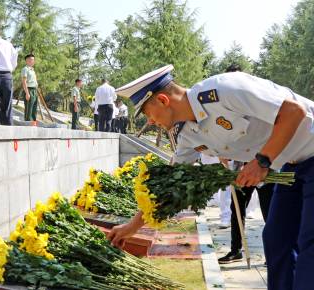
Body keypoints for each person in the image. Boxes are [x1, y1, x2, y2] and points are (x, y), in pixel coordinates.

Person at [109, 64, 314, 290]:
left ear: (163, 100)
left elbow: (294, 112)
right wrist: (131, 227)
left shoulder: (225, 90)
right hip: (291, 165)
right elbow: (166, 188)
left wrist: (261, 161)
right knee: (276, 240)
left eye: (147, 113)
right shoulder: (187, 135)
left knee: (309, 244)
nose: (149, 121)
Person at [218, 160, 274, 263]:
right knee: (236, 210)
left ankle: (273, 254)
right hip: (242, 173)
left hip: (265, 172)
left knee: (269, 213)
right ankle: (235, 250)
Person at [21, 54, 38, 122]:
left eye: (33, 60)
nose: (33, 61)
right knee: (29, 109)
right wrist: (27, 93)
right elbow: (24, 82)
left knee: (34, 109)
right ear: (27, 61)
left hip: (34, 90)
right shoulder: (25, 69)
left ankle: (33, 124)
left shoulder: (32, 70)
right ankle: (28, 124)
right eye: (31, 60)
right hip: (29, 90)